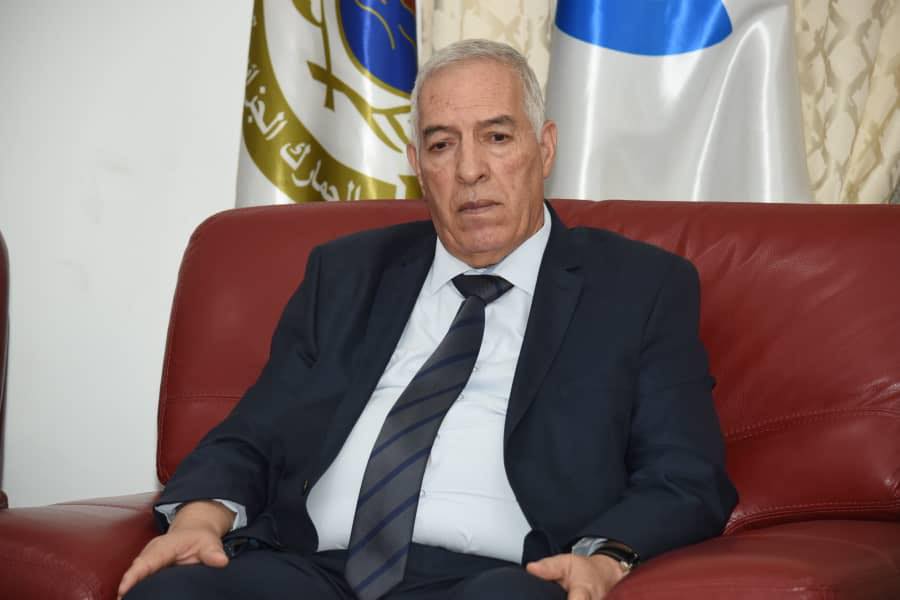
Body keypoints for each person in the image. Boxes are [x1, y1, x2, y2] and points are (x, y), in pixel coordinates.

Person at [118, 39, 737, 600]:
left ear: (544, 147)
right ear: (418, 162)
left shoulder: (637, 288)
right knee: (171, 595)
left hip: (499, 578)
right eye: (443, 144)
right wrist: (200, 518)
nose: (470, 170)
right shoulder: (347, 274)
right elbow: (257, 428)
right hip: (312, 569)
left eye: (497, 137)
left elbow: (685, 475)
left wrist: (605, 557)